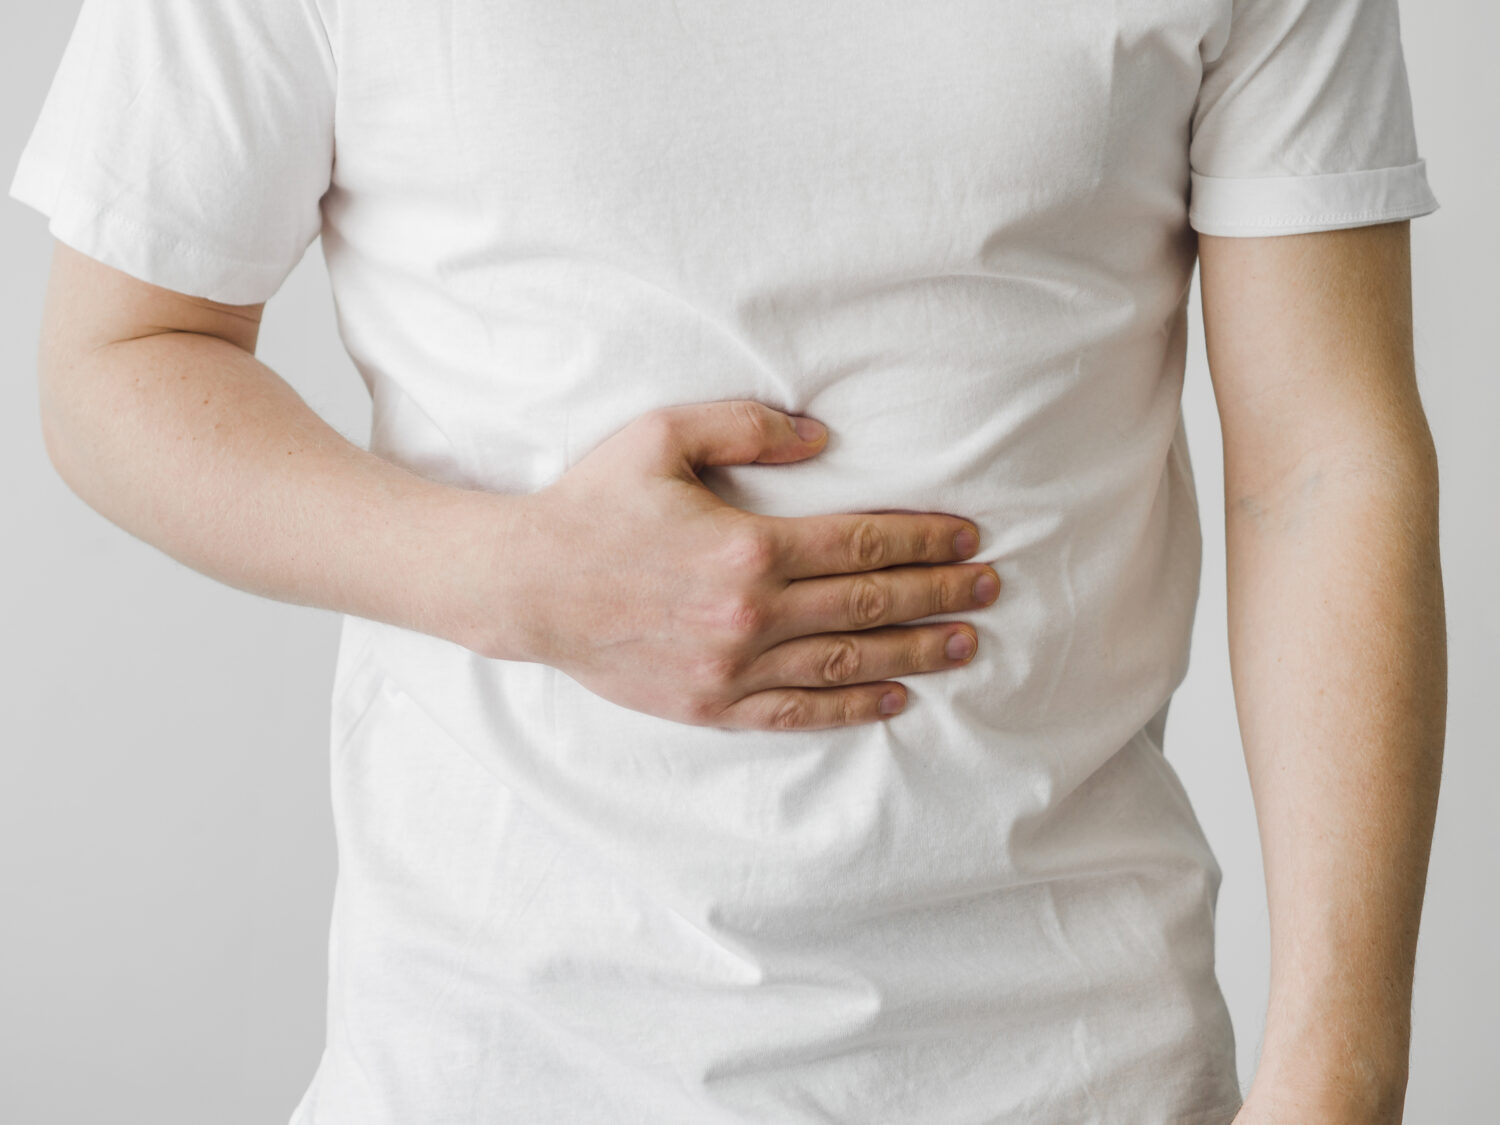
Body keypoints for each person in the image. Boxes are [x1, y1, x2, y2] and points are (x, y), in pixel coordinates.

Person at [11, 0, 1447, 1122]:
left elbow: (1322, 460)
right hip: (495, 1063)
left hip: (1077, 1065)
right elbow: (121, 361)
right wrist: (522, 579)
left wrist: (1335, 1086)